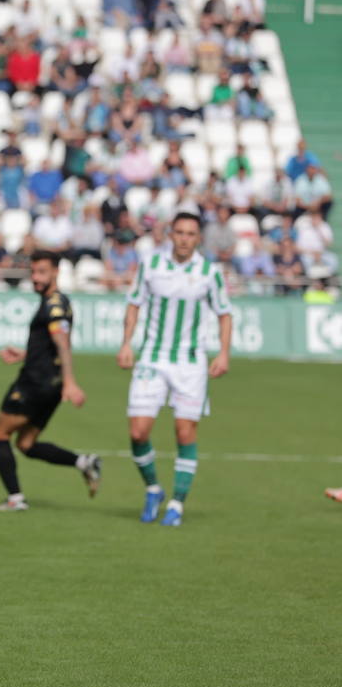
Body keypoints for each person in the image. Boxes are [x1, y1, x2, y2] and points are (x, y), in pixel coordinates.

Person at [117, 212, 233, 527]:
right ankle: (153, 488)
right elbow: (134, 304)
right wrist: (126, 343)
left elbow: (224, 313)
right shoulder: (151, 266)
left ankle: (177, 504)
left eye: (190, 234)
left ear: (198, 238)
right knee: (138, 431)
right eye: (179, 232)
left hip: (190, 362)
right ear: (170, 234)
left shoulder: (209, 272)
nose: (184, 238)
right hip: (153, 357)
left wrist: (223, 353)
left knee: (184, 432)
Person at [0, 251, 100, 512]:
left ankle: (15, 499)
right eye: (33, 272)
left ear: (55, 273)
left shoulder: (54, 305)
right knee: (26, 444)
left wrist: (71, 382)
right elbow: (52, 345)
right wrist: (26, 354)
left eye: (42, 272)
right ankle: (84, 462)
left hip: (36, 383)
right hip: (50, 383)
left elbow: (62, 342)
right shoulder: (55, 302)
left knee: (0, 433)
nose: (36, 278)